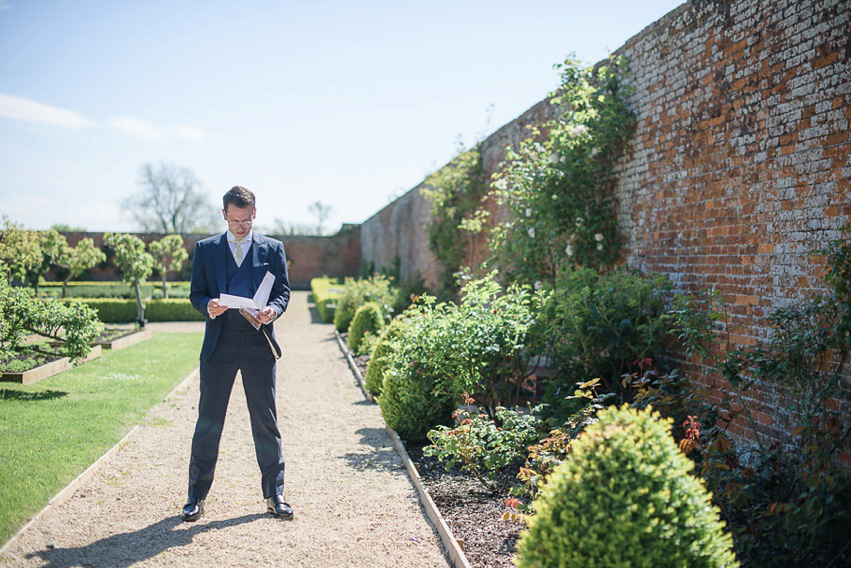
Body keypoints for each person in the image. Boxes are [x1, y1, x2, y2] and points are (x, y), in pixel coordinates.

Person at [181, 186, 293, 521]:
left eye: (246, 220)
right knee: (209, 420)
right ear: (224, 215)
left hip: (259, 344)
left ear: (255, 214)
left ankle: (275, 494)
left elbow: (282, 290)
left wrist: (272, 310)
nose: (241, 226)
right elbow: (196, 293)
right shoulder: (206, 250)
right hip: (219, 344)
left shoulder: (273, 249)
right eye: (234, 221)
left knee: (266, 420)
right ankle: (196, 496)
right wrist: (208, 306)